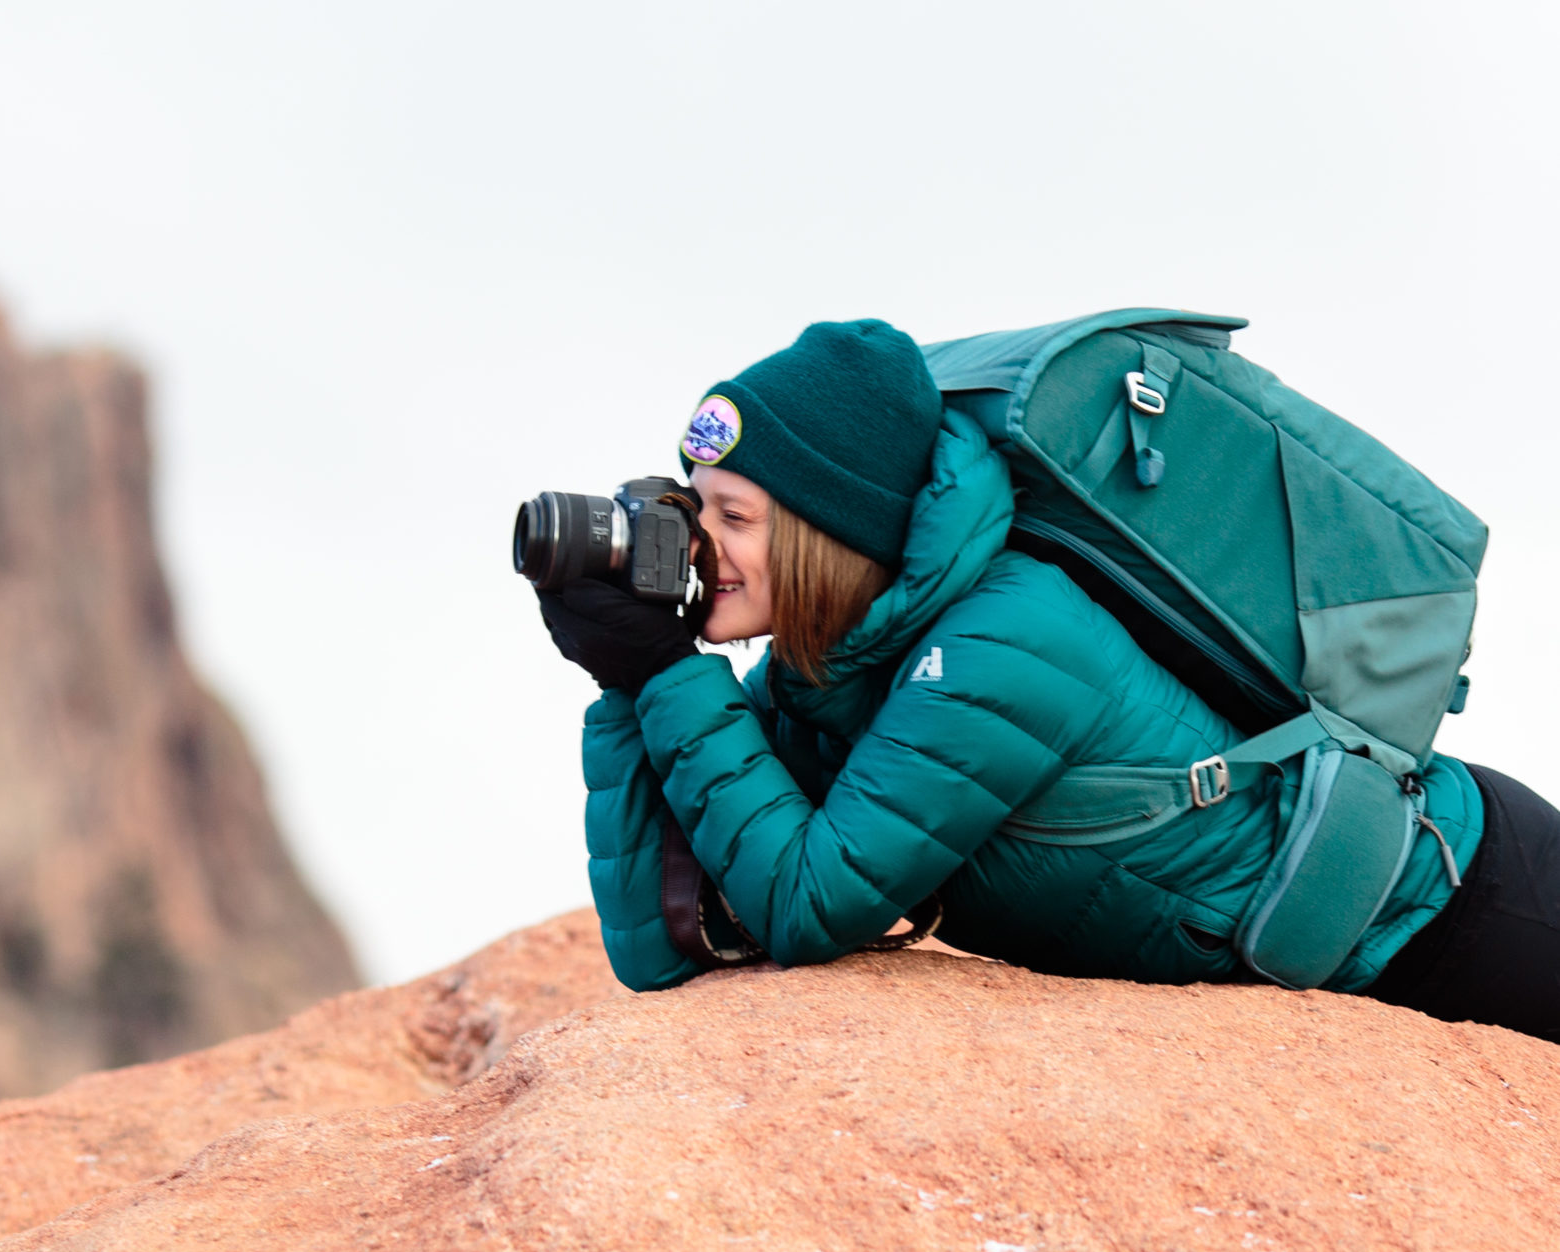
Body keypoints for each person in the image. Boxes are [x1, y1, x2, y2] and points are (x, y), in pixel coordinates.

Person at [536, 318, 1560, 1043]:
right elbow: (666, 944)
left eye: (735, 516)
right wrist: (625, 680)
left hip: (1464, 902)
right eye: (693, 506)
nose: (698, 543)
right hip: (1372, 948)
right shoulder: (822, 677)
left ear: (828, 530)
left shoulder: (1008, 642)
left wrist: (666, 669)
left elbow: (808, 900)